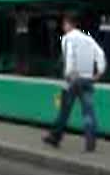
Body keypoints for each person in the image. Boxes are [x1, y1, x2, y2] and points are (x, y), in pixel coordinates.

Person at [44, 12, 106, 152]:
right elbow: (100, 54)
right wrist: (99, 73)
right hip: (88, 79)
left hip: (73, 80)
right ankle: (90, 144)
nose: (63, 27)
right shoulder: (88, 38)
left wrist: (68, 74)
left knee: (64, 110)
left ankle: (55, 137)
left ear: (68, 24)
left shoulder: (67, 38)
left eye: (64, 24)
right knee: (88, 112)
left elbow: (70, 56)